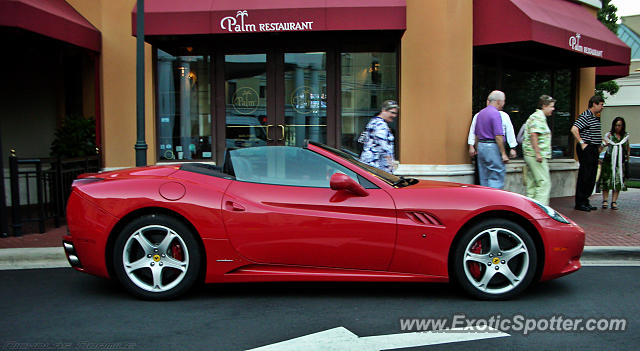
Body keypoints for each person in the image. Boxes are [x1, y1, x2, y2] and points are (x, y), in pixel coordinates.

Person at [570, 95, 605, 212]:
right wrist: (582, 143)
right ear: (594, 104)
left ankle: (585, 200)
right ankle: (580, 202)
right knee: (585, 174)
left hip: (594, 148)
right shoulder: (585, 115)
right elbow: (574, 129)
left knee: (591, 175)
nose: (602, 107)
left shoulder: (595, 117)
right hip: (587, 148)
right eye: (601, 104)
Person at [522, 95, 556, 205]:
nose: (553, 109)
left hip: (530, 154)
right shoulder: (538, 117)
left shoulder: (535, 116)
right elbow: (534, 134)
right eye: (551, 106)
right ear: (544, 106)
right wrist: (538, 153)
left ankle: (530, 208)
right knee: (544, 183)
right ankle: (541, 210)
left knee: (532, 183)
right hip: (535, 156)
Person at [474, 90, 510, 189]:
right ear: (499, 101)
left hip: (481, 146)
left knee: (484, 177)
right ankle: (495, 201)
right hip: (492, 147)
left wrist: (476, 148)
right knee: (496, 176)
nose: (503, 104)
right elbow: (498, 136)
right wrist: (503, 153)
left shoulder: (480, 113)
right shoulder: (495, 114)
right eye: (503, 101)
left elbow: (476, 134)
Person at [359, 100, 399, 173]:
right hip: (378, 166)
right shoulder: (381, 125)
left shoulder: (372, 122)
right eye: (392, 113)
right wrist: (390, 163)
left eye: (395, 113)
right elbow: (384, 146)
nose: (394, 116)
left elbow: (361, 140)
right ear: (383, 110)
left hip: (368, 163)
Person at [600, 117, 630, 210]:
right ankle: (605, 200)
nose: (617, 127)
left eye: (619, 125)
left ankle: (614, 201)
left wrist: (627, 158)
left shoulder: (625, 137)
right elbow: (601, 147)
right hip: (608, 161)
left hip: (619, 163)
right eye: (616, 125)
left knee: (617, 180)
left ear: (622, 126)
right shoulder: (609, 135)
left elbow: (627, 148)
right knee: (606, 180)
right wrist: (603, 144)